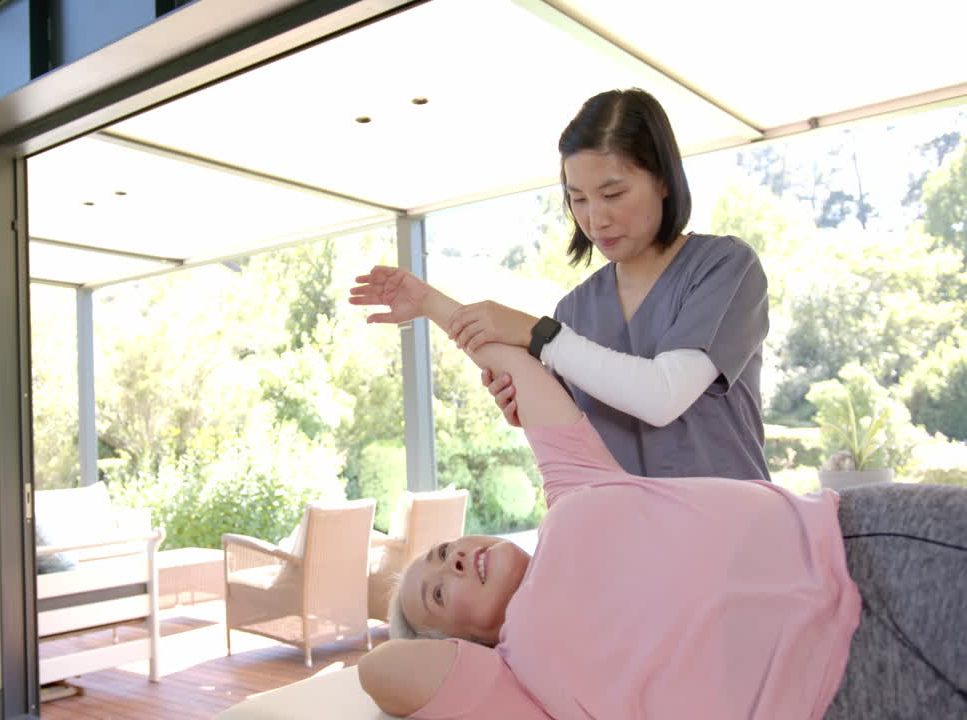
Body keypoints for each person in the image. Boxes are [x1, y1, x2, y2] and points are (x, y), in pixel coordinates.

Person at [348, 271, 967, 720]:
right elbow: (385, 672)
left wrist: (427, 301)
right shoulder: (519, 684)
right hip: (836, 695)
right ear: (461, 646)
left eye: (444, 550)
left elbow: (514, 362)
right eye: (438, 590)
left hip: (867, 545)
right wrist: (421, 630)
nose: (451, 557)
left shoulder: (572, 491)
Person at [356, 87, 771, 481]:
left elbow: (661, 396)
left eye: (613, 194)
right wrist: (431, 304)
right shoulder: (575, 310)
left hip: (732, 531)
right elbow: (570, 438)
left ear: (663, 180)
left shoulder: (725, 267)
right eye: (579, 198)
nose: (595, 219)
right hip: (627, 540)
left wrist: (539, 334)